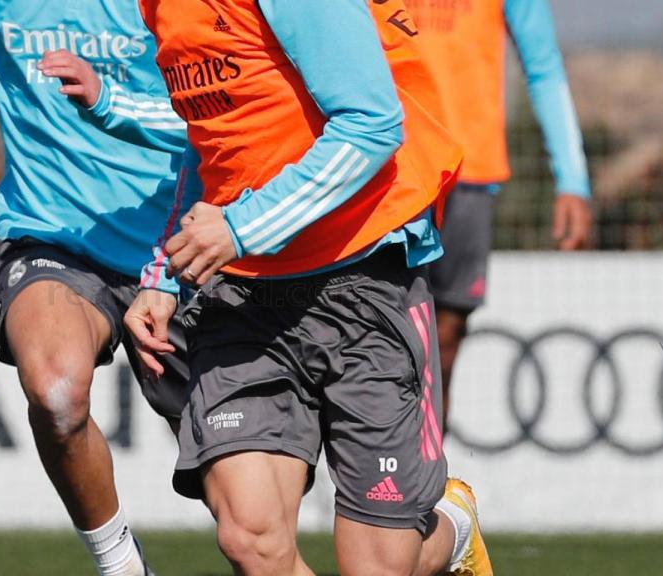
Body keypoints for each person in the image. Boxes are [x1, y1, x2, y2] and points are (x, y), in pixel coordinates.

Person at [122, 1, 492, 574]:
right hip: (245, 297)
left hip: (365, 281)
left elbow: (372, 124)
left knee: (382, 566)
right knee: (250, 538)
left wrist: (242, 229)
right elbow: (211, 143)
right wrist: (165, 275)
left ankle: (455, 530)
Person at [0, 2, 194, 575]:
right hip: (54, 233)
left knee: (253, 533)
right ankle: (122, 568)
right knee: (57, 392)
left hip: (189, 235)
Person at [404, 0, 593, 419]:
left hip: (470, 171)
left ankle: (429, 477)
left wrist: (573, 181)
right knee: (380, 336)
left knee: (445, 340)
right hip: (391, 167)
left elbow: (543, 66)